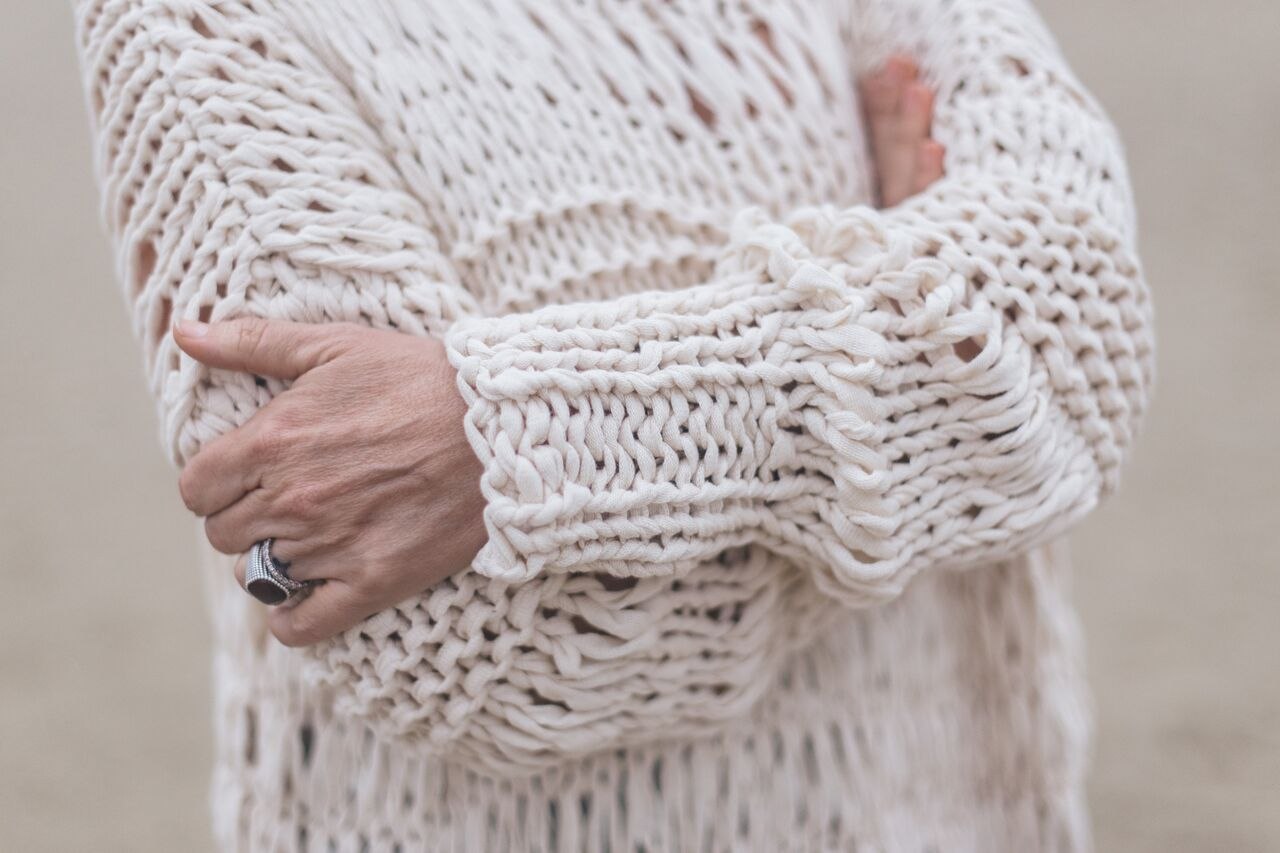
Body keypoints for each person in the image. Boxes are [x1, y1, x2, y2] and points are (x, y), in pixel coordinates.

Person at [74, 0, 1154, 849]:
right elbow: (479, 660)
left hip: (926, 808)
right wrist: (919, 407)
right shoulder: (193, 21)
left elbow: (1080, 336)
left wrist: (510, 429)